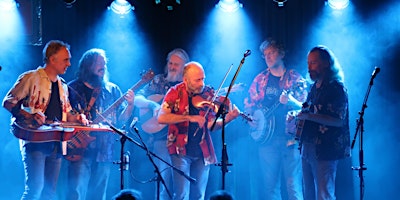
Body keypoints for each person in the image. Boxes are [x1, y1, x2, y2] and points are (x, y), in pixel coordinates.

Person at [2, 40, 89, 200]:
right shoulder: (31, 77)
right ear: (52, 59)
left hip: (56, 141)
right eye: (66, 59)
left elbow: (67, 113)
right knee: (35, 190)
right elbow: (8, 102)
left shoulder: (63, 85)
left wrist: (78, 118)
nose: (69, 64)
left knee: (49, 192)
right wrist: (29, 115)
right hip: (35, 141)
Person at [157, 61, 240, 200]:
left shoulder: (208, 94)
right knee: (182, 195)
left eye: (203, 78)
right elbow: (162, 118)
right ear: (186, 80)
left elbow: (211, 126)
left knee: (199, 196)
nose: (202, 83)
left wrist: (229, 118)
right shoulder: (174, 92)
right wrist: (190, 117)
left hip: (203, 150)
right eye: (197, 80)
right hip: (180, 150)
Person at [66, 48, 135, 200]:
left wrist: (130, 105)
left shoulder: (112, 90)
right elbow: (63, 117)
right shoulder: (71, 88)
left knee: (99, 195)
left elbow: (121, 119)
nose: (103, 67)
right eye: (98, 63)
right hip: (79, 148)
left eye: (104, 64)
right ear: (87, 66)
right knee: (76, 192)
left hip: (104, 150)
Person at [244, 38, 307, 200]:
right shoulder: (260, 79)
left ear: (281, 53)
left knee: (293, 186)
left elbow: (306, 107)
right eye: (265, 54)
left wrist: (291, 101)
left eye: (271, 53)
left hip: (290, 140)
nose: (268, 57)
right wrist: (252, 119)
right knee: (270, 187)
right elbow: (248, 105)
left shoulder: (295, 79)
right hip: (267, 141)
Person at [134, 48, 189, 200]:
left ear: (184, 67)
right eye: (170, 63)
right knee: (164, 182)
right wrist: (153, 106)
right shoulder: (159, 81)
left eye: (176, 64)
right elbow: (137, 98)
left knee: (182, 185)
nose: (171, 66)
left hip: (181, 141)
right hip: (160, 140)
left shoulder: (187, 86)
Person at [296, 45, 350, 200]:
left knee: (324, 194)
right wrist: (297, 116)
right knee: (309, 194)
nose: (309, 67)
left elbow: (338, 120)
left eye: (313, 62)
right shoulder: (314, 88)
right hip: (307, 146)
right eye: (308, 63)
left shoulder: (336, 88)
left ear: (326, 63)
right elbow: (309, 111)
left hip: (326, 149)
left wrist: (308, 117)